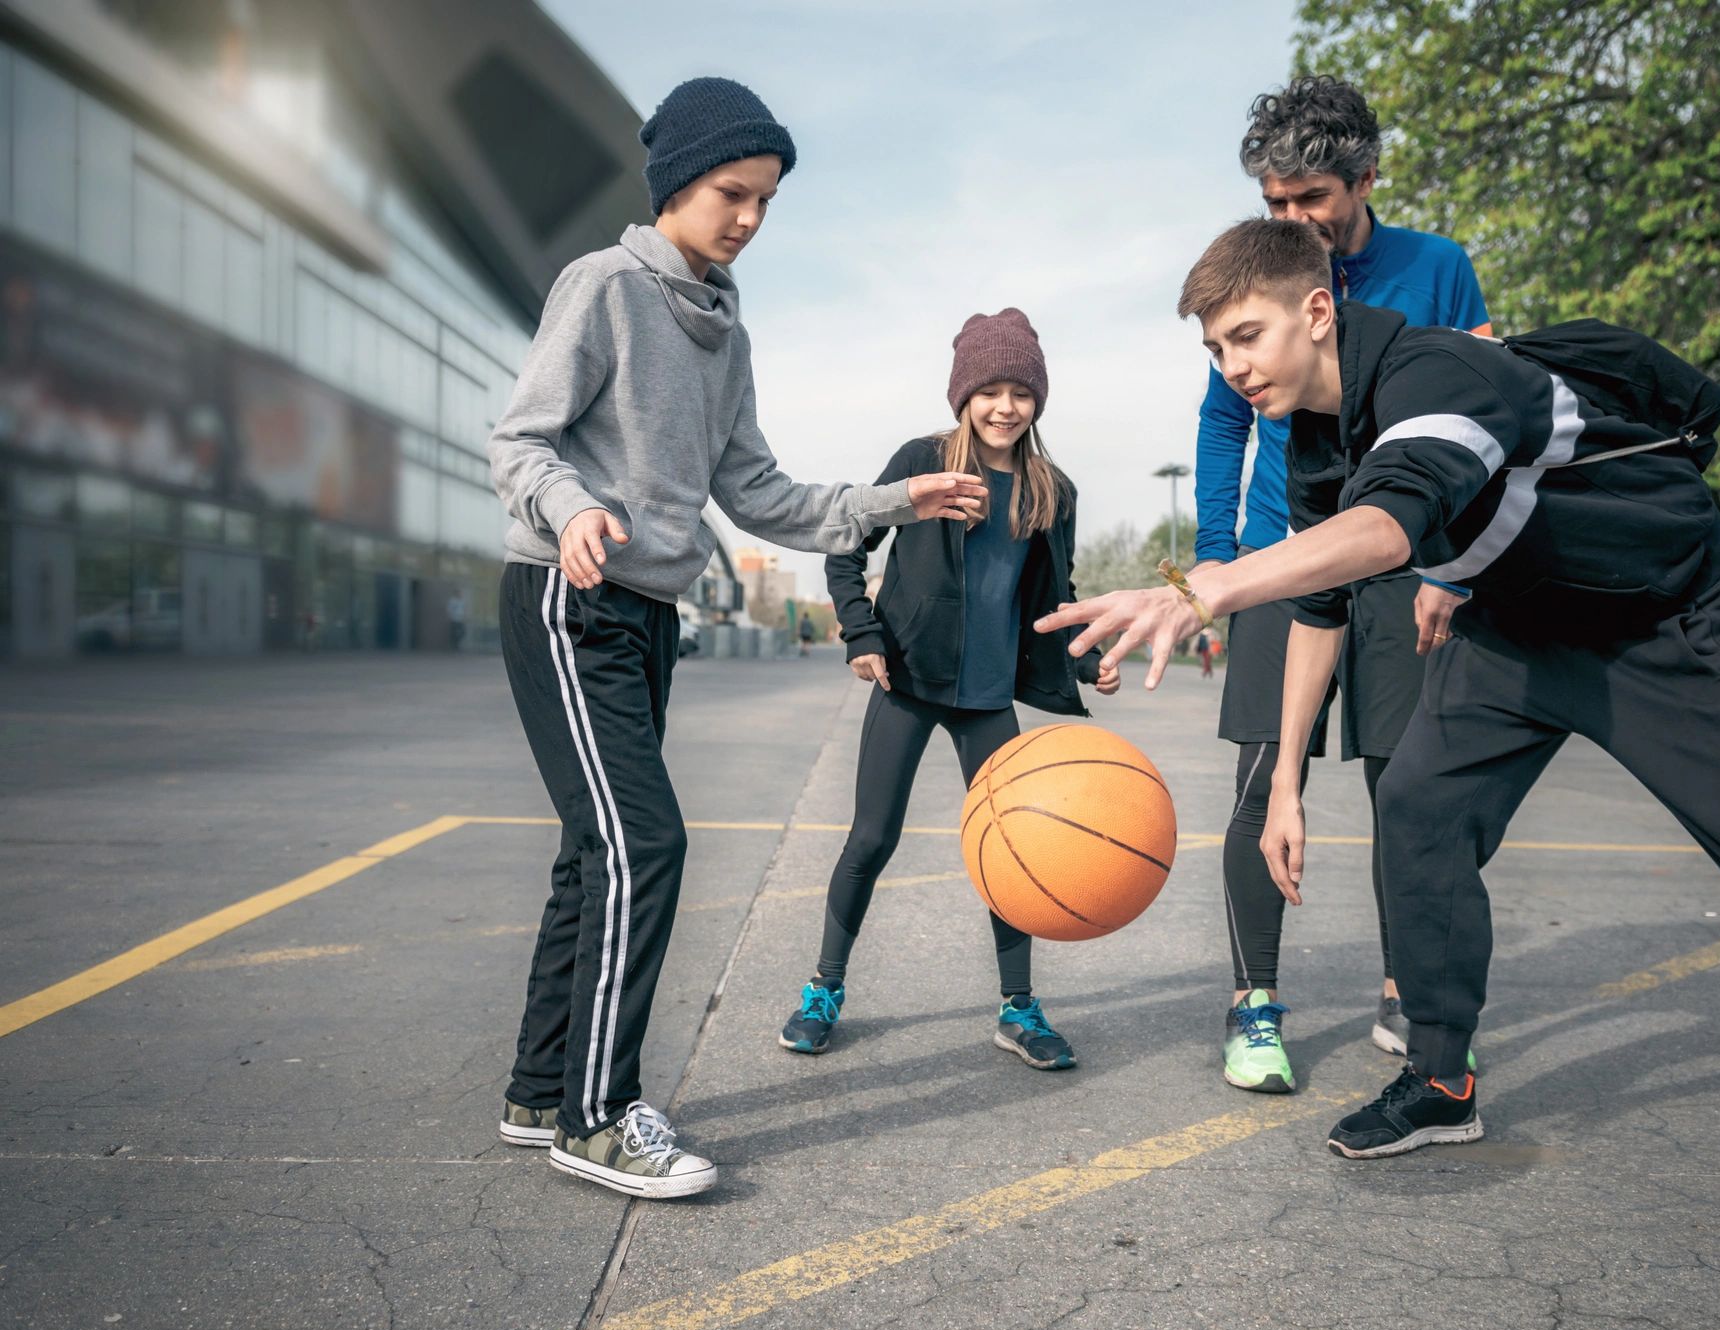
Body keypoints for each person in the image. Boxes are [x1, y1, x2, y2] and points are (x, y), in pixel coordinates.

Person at [1037, 217, 1720, 1301]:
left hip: (1667, 625)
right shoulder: (1310, 435)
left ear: (1315, 310)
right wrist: (1285, 781)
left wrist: (1201, 587)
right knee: (1423, 810)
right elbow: (1322, 598)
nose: (1233, 366)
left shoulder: (1439, 372)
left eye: (1246, 335)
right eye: (1213, 350)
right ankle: (1442, 1079)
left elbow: (1387, 532)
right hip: (1518, 633)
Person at [487, 77, 987, 1200]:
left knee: (596, 850)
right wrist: (573, 512)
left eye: (765, 200)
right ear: (674, 184)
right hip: (568, 596)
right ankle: (599, 1113)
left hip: (646, 614)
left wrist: (901, 499)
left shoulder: (724, 327)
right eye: (732, 193)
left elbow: (759, 492)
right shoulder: (606, 286)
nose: (751, 219)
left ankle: (536, 1090)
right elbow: (520, 441)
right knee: (642, 843)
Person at [1193, 77, 1491, 1095]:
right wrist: (1217, 551)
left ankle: (1407, 989)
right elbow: (1224, 420)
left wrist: (1449, 565)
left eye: (1309, 197)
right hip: (1288, 558)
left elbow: (1476, 417)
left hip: (1403, 567)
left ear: (1367, 178)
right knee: (1263, 785)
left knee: (1405, 789)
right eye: (1274, 201)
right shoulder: (1263, 281)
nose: (1289, 219)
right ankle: (1253, 1005)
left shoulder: (1437, 270)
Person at [778, 310, 1118, 1067]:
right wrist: (862, 635)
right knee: (871, 837)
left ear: (1037, 400)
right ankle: (823, 991)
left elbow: (1052, 595)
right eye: (990, 390)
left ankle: (1019, 1009)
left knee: (1014, 850)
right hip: (908, 682)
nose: (1005, 407)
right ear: (962, 394)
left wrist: (1088, 662)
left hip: (990, 696)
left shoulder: (1050, 489)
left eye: (1020, 392)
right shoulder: (924, 459)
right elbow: (846, 544)